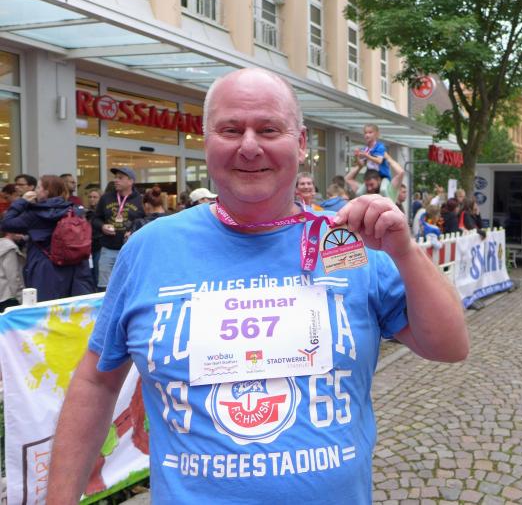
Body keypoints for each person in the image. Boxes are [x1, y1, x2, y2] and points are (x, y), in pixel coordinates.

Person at [48, 67, 468, 504]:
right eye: (231, 130)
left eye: (268, 129)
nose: (249, 147)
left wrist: (405, 251)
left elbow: (449, 345)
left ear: (301, 143)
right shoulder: (150, 248)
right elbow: (96, 383)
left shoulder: (350, 240)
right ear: (207, 141)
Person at [1, 175, 94, 301]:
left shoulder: (35, 214)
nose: (35, 191)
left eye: (38, 187)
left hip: (44, 268)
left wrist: (22, 201)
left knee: (46, 309)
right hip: (75, 267)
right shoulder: (74, 210)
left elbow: (7, 223)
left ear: (46, 191)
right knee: (72, 308)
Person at [92, 167, 145, 291]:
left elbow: (145, 221)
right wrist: (102, 226)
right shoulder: (106, 198)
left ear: (131, 181)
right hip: (108, 250)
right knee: (105, 288)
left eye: (120, 178)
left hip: (131, 250)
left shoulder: (140, 200)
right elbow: (95, 219)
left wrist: (133, 231)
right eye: (115, 177)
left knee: (130, 286)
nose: (116, 180)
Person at [0, 231, 24, 311]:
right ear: (9, 232)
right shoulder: (9, 248)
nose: (22, 235)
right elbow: (14, 277)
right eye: (19, 231)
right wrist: (22, 299)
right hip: (8, 298)